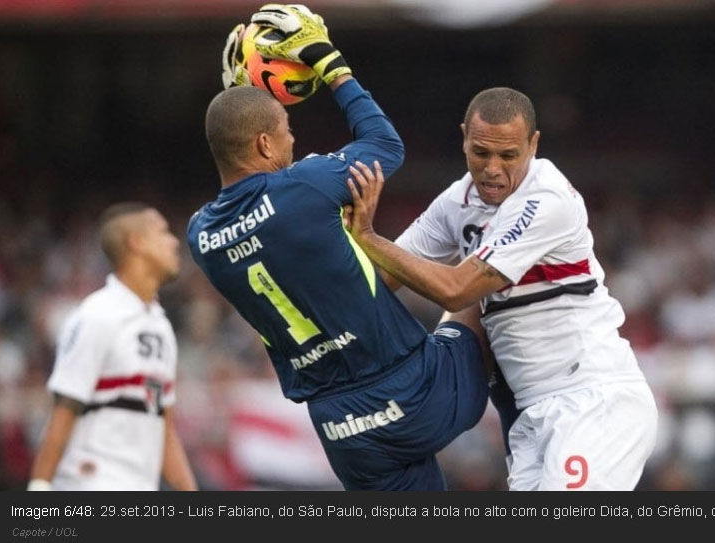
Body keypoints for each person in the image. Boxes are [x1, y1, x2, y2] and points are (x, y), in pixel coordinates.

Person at [188, 5, 489, 490]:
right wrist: (330, 63)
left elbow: (240, 169)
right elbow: (385, 145)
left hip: (342, 429)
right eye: (286, 131)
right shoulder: (304, 188)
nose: (294, 139)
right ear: (265, 145)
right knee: (478, 285)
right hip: (416, 392)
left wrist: (239, 97)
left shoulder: (200, 235)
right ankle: (545, 441)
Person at [345, 87, 659, 490]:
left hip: (592, 401)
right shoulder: (457, 201)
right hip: (532, 413)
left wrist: (369, 237)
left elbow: (456, 290)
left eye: (508, 155)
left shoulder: (546, 198)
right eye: (481, 152)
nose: (492, 168)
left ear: (533, 144)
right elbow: (381, 278)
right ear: (464, 138)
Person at [28, 203, 197, 491]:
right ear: (137, 242)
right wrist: (39, 487)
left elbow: (164, 428)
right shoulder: (97, 316)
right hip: (90, 481)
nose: (173, 241)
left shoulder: (160, 326)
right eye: (163, 232)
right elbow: (64, 408)